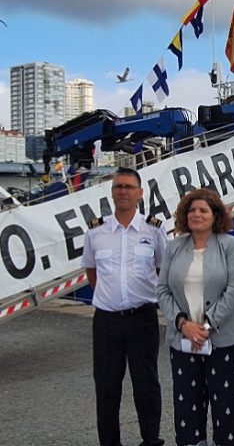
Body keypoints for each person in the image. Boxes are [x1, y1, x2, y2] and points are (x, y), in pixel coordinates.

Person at [82, 167, 168, 446]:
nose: (123, 191)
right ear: (111, 192)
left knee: (146, 385)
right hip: (106, 321)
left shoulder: (154, 229)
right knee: (106, 387)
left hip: (142, 319)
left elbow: (161, 269)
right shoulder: (96, 231)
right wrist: (111, 297)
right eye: (118, 186)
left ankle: (150, 440)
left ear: (140, 193)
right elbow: (91, 271)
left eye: (129, 187)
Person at [157, 189, 234, 446]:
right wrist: (183, 324)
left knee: (227, 407)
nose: (196, 214)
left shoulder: (229, 245)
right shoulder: (174, 247)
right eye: (192, 210)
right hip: (183, 341)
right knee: (188, 407)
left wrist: (206, 326)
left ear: (215, 215)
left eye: (203, 210)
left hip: (225, 341)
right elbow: (162, 290)